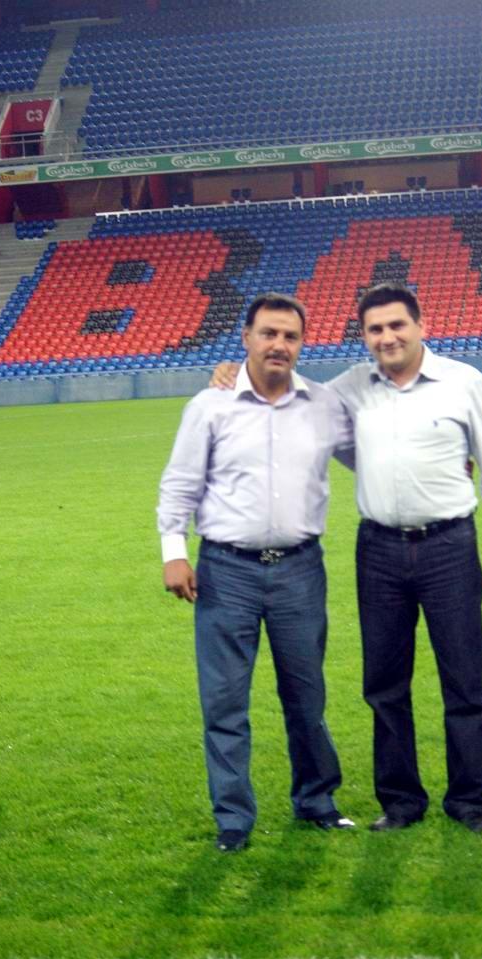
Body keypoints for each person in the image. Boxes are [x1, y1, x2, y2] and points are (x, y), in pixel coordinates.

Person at [211, 282, 482, 835]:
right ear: (364, 336)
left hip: (450, 547)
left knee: (463, 681)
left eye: (397, 325)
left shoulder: (465, 383)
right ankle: (401, 803)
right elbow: (288, 392)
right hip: (378, 551)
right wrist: (233, 373)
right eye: (375, 329)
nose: (387, 337)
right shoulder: (349, 389)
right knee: (384, 684)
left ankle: (468, 802)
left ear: (420, 325)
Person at [158, 292, 356, 853]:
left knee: (306, 696)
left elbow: (371, 459)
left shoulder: (323, 404)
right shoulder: (209, 407)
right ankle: (233, 819)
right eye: (269, 333)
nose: (279, 345)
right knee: (224, 702)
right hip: (226, 571)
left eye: (290, 336)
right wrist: (174, 551)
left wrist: (438, 463)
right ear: (246, 337)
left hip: (300, 570)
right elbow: (179, 484)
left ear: (302, 343)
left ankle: (316, 801)